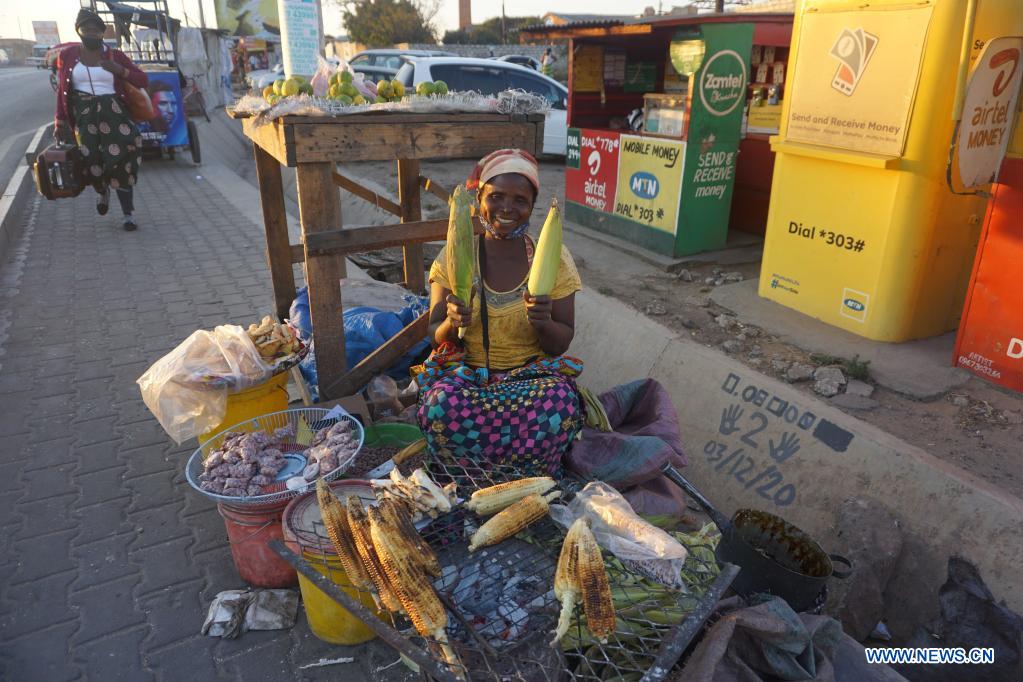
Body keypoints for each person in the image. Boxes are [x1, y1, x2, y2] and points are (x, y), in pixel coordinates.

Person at [415, 149, 584, 477]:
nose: (507, 208)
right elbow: (433, 334)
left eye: (520, 200)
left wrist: (544, 323)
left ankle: (529, 480)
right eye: (496, 196)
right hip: (469, 379)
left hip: (529, 379)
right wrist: (452, 321)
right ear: (479, 199)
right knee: (439, 405)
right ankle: (469, 479)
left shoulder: (554, 259)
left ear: (532, 205)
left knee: (561, 402)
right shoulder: (453, 257)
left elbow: (561, 342)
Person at [54, 9, 148, 231]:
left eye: (95, 30)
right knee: (92, 161)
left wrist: (120, 71)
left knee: (122, 160)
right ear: (78, 31)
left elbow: (142, 79)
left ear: (102, 33)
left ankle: (128, 214)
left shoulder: (115, 55)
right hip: (85, 117)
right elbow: (62, 91)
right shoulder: (67, 56)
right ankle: (102, 191)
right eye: (86, 30)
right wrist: (59, 120)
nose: (90, 33)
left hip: (114, 114)